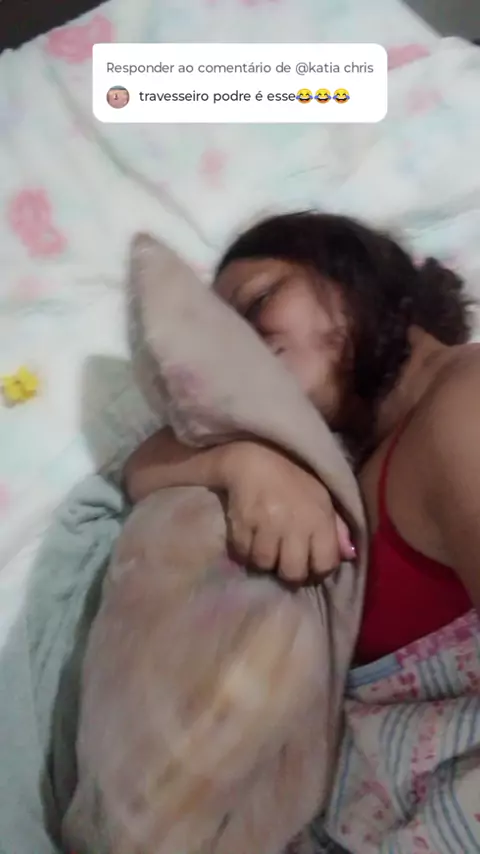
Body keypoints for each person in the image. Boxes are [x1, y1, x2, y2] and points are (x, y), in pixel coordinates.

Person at [123, 211, 480, 851]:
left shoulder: (465, 402)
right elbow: (140, 467)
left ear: (351, 273)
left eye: (258, 302)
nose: (247, 345)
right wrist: (241, 464)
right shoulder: (347, 454)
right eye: (228, 342)